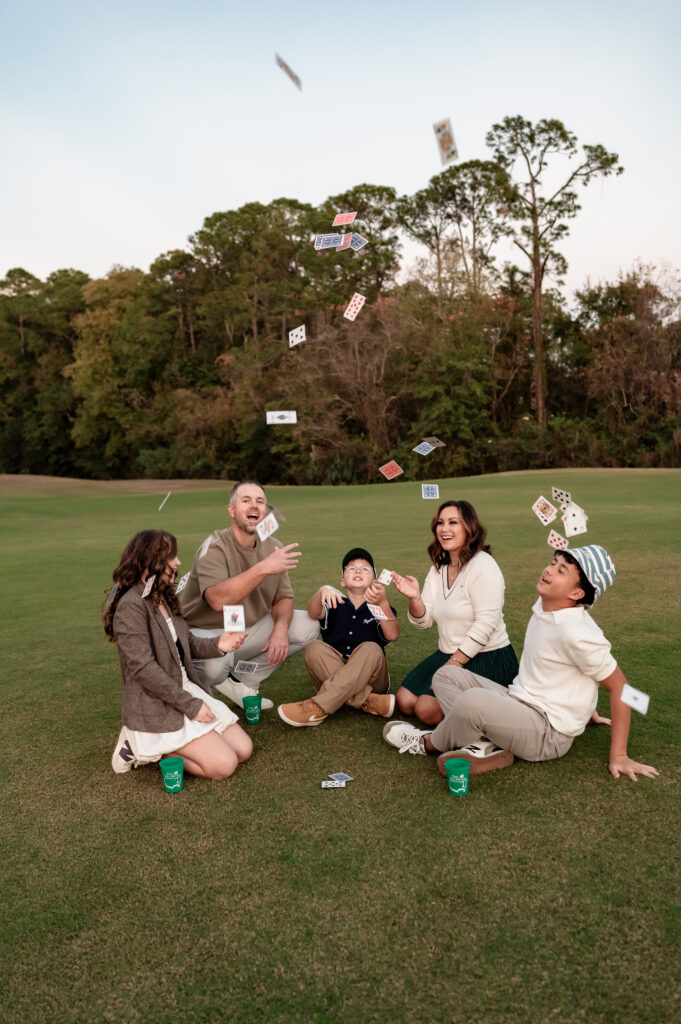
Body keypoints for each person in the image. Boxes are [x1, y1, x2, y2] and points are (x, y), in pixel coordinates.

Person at [383, 545, 659, 784]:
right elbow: (569, 670)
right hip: (519, 702)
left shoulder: (578, 633)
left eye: (562, 571)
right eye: (554, 562)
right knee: (445, 674)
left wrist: (620, 753)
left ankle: (427, 742)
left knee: (473, 701)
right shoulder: (545, 606)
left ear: (577, 594)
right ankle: (486, 745)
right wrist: (585, 707)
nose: (550, 570)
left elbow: (621, 687)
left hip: (547, 733)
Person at [105, 530, 253, 780]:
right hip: (156, 700)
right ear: (152, 560)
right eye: (172, 556)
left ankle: (178, 744)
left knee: (243, 749)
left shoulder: (162, 595)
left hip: (184, 688)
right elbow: (144, 669)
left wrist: (220, 643)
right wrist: (191, 706)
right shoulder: (131, 605)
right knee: (224, 765)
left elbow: (184, 644)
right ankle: (138, 747)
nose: (178, 562)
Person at [179, 481, 319, 710]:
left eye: (260, 501)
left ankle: (241, 681)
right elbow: (216, 599)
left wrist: (281, 628)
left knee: (309, 626)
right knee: (216, 664)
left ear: (264, 511)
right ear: (231, 510)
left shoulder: (273, 546)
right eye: (246, 500)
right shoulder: (214, 546)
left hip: (246, 629)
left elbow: (283, 597)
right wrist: (263, 568)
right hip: (204, 632)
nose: (254, 506)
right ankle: (201, 694)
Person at [391, 500, 518, 726]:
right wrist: (414, 598)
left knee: (425, 709)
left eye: (453, 522)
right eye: (440, 523)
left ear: (469, 528)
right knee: (405, 701)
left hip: (488, 656)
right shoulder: (438, 569)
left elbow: (486, 625)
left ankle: (478, 722)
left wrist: (453, 665)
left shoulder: (483, 565)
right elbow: (423, 621)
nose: (444, 529)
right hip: (448, 653)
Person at [278, 547, 399, 727]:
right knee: (313, 647)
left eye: (365, 569)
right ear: (342, 581)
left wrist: (382, 603)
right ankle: (369, 700)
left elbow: (393, 634)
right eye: (351, 568)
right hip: (332, 670)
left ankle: (318, 706)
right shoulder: (334, 603)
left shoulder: (381, 608)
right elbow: (312, 612)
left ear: (374, 580)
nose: (358, 570)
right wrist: (321, 592)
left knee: (371, 648)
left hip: (372, 678)